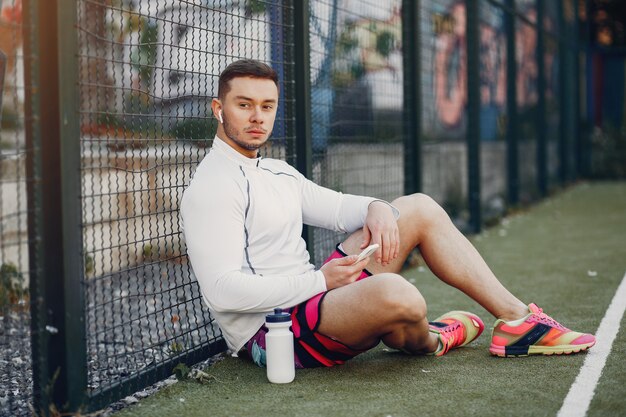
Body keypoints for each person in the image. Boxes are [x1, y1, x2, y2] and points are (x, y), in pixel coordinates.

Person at [180, 59, 595, 369]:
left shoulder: (275, 169)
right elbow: (222, 291)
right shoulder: (212, 186)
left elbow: (341, 207)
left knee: (417, 208)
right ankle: (426, 338)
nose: (257, 118)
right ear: (219, 108)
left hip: (316, 299)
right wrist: (319, 280)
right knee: (400, 296)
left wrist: (376, 209)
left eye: (267, 106)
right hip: (273, 332)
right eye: (244, 105)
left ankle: (518, 321)